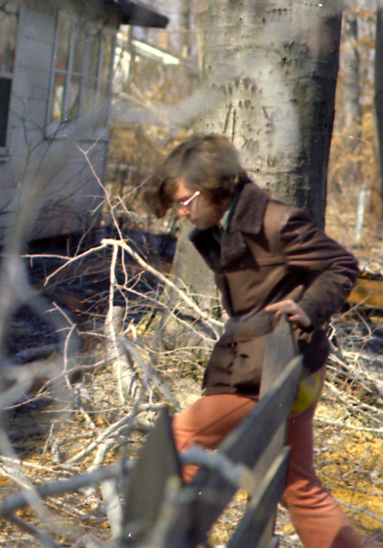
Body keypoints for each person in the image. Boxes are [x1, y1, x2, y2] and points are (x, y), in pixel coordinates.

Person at [145, 134, 363, 548]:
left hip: (276, 371)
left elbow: (341, 265)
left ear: (215, 189)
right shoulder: (219, 227)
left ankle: (164, 538)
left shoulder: (276, 222)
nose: (182, 212)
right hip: (279, 368)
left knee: (177, 441)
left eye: (187, 201)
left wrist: (308, 308)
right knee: (298, 486)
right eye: (177, 205)